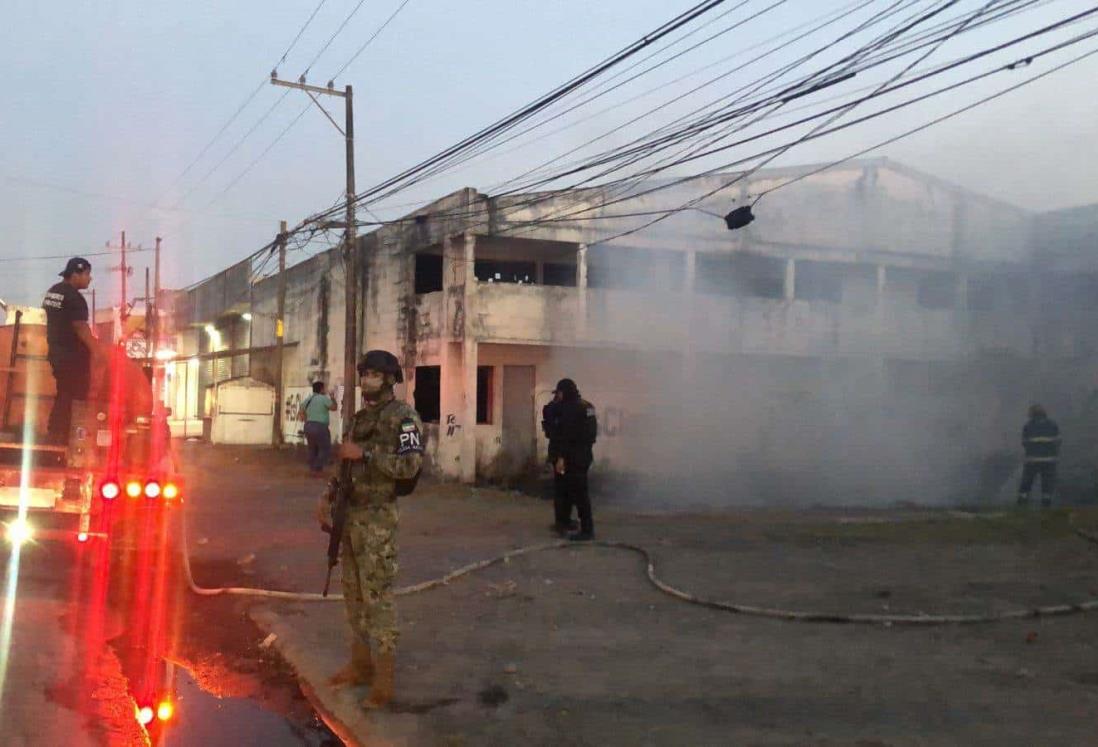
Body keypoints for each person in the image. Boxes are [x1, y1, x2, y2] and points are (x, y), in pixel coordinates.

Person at [321, 350, 423, 709]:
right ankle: (359, 666)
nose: (367, 381)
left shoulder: (404, 418)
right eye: (364, 374)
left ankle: (384, 682)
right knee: (354, 596)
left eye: (375, 375)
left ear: (391, 379)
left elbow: (410, 466)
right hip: (350, 517)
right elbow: (344, 469)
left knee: (377, 598)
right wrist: (328, 499)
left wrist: (364, 456)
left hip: (378, 520)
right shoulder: (360, 418)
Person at [42, 257, 99, 444]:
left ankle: (56, 433)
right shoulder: (74, 298)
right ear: (76, 274)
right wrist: (97, 351)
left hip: (57, 354)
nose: (89, 279)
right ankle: (67, 437)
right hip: (72, 358)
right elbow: (81, 328)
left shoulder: (53, 291)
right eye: (87, 274)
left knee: (64, 394)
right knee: (75, 399)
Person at [551, 378, 598, 541]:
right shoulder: (588, 406)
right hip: (585, 455)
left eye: (560, 392)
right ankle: (572, 523)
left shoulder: (570, 409)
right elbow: (592, 434)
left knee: (579, 494)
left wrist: (561, 458)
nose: (559, 396)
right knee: (576, 492)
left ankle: (587, 530)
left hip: (573, 457)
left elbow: (567, 436)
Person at [542, 388, 578, 535]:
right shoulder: (555, 409)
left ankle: (565, 520)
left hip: (564, 454)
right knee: (561, 489)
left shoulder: (558, 408)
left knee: (566, 489)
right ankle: (561, 522)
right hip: (559, 455)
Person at [1018, 404, 1061, 508]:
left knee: (1027, 481)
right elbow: (1058, 441)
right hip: (1049, 460)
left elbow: (1024, 442)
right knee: (1047, 482)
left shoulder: (1028, 426)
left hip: (1032, 459)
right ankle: (1046, 503)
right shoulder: (1053, 424)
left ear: (1032, 414)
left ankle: (1022, 503)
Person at [299, 380, 337, 475]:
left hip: (308, 426)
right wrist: (332, 398)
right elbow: (333, 408)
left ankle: (313, 468)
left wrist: (307, 420)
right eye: (324, 388)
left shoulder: (308, 399)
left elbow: (301, 412)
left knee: (312, 448)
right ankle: (317, 467)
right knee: (325, 448)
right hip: (320, 427)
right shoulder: (323, 398)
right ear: (321, 389)